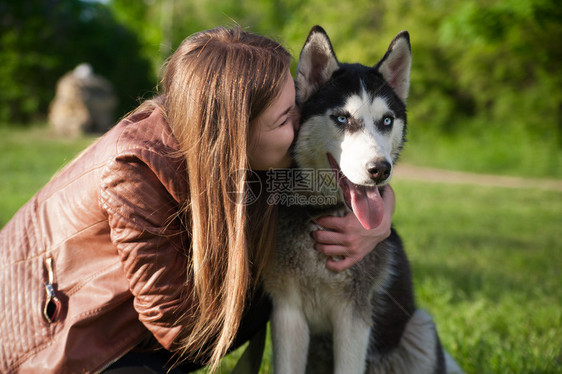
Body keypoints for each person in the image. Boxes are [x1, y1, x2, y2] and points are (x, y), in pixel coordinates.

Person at [0, 26, 395, 373]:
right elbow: (176, 325)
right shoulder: (136, 174)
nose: (303, 120)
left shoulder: (226, 154)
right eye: (286, 117)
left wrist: (379, 214)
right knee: (265, 289)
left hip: (130, 329)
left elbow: (307, 188)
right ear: (236, 130)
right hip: (62, 346)